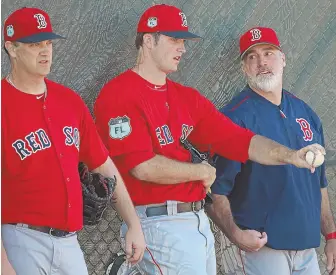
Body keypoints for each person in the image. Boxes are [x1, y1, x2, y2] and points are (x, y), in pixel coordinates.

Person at [94, 5, 325, 275]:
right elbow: (142, 167)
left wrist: (291, 156)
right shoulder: (119, 93)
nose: (182, 48)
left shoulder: (185, 97)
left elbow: (241, 140)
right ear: (148, 40)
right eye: (173, 39)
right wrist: (200, 171)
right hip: (159, 221)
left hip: (196, 222)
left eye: (183, 41)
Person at [1, 7, 145, 275]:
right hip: (21, 240)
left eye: (48, 43)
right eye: (34, 44)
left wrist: (133, 222)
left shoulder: (69, 101)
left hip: (69, 243)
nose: (45, 51)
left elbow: (103, 164)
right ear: (12, 48)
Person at [206, 27, 336, 275]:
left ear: (283, 59)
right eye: (252, 56)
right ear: (244, 67)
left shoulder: (305, 112)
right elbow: (214, 190)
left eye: (268, 53)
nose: (261, 62)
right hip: (260, 247)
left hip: (306, 247)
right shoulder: (234, 117)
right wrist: (235, 234)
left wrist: (331, 234)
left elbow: (319, 184)